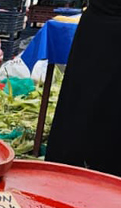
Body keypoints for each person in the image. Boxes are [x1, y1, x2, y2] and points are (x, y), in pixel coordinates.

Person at [46, 0, 121, 177]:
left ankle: (68, 171)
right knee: (82, 102)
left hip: (97, 26)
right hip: (99, 27)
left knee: (81, 103)